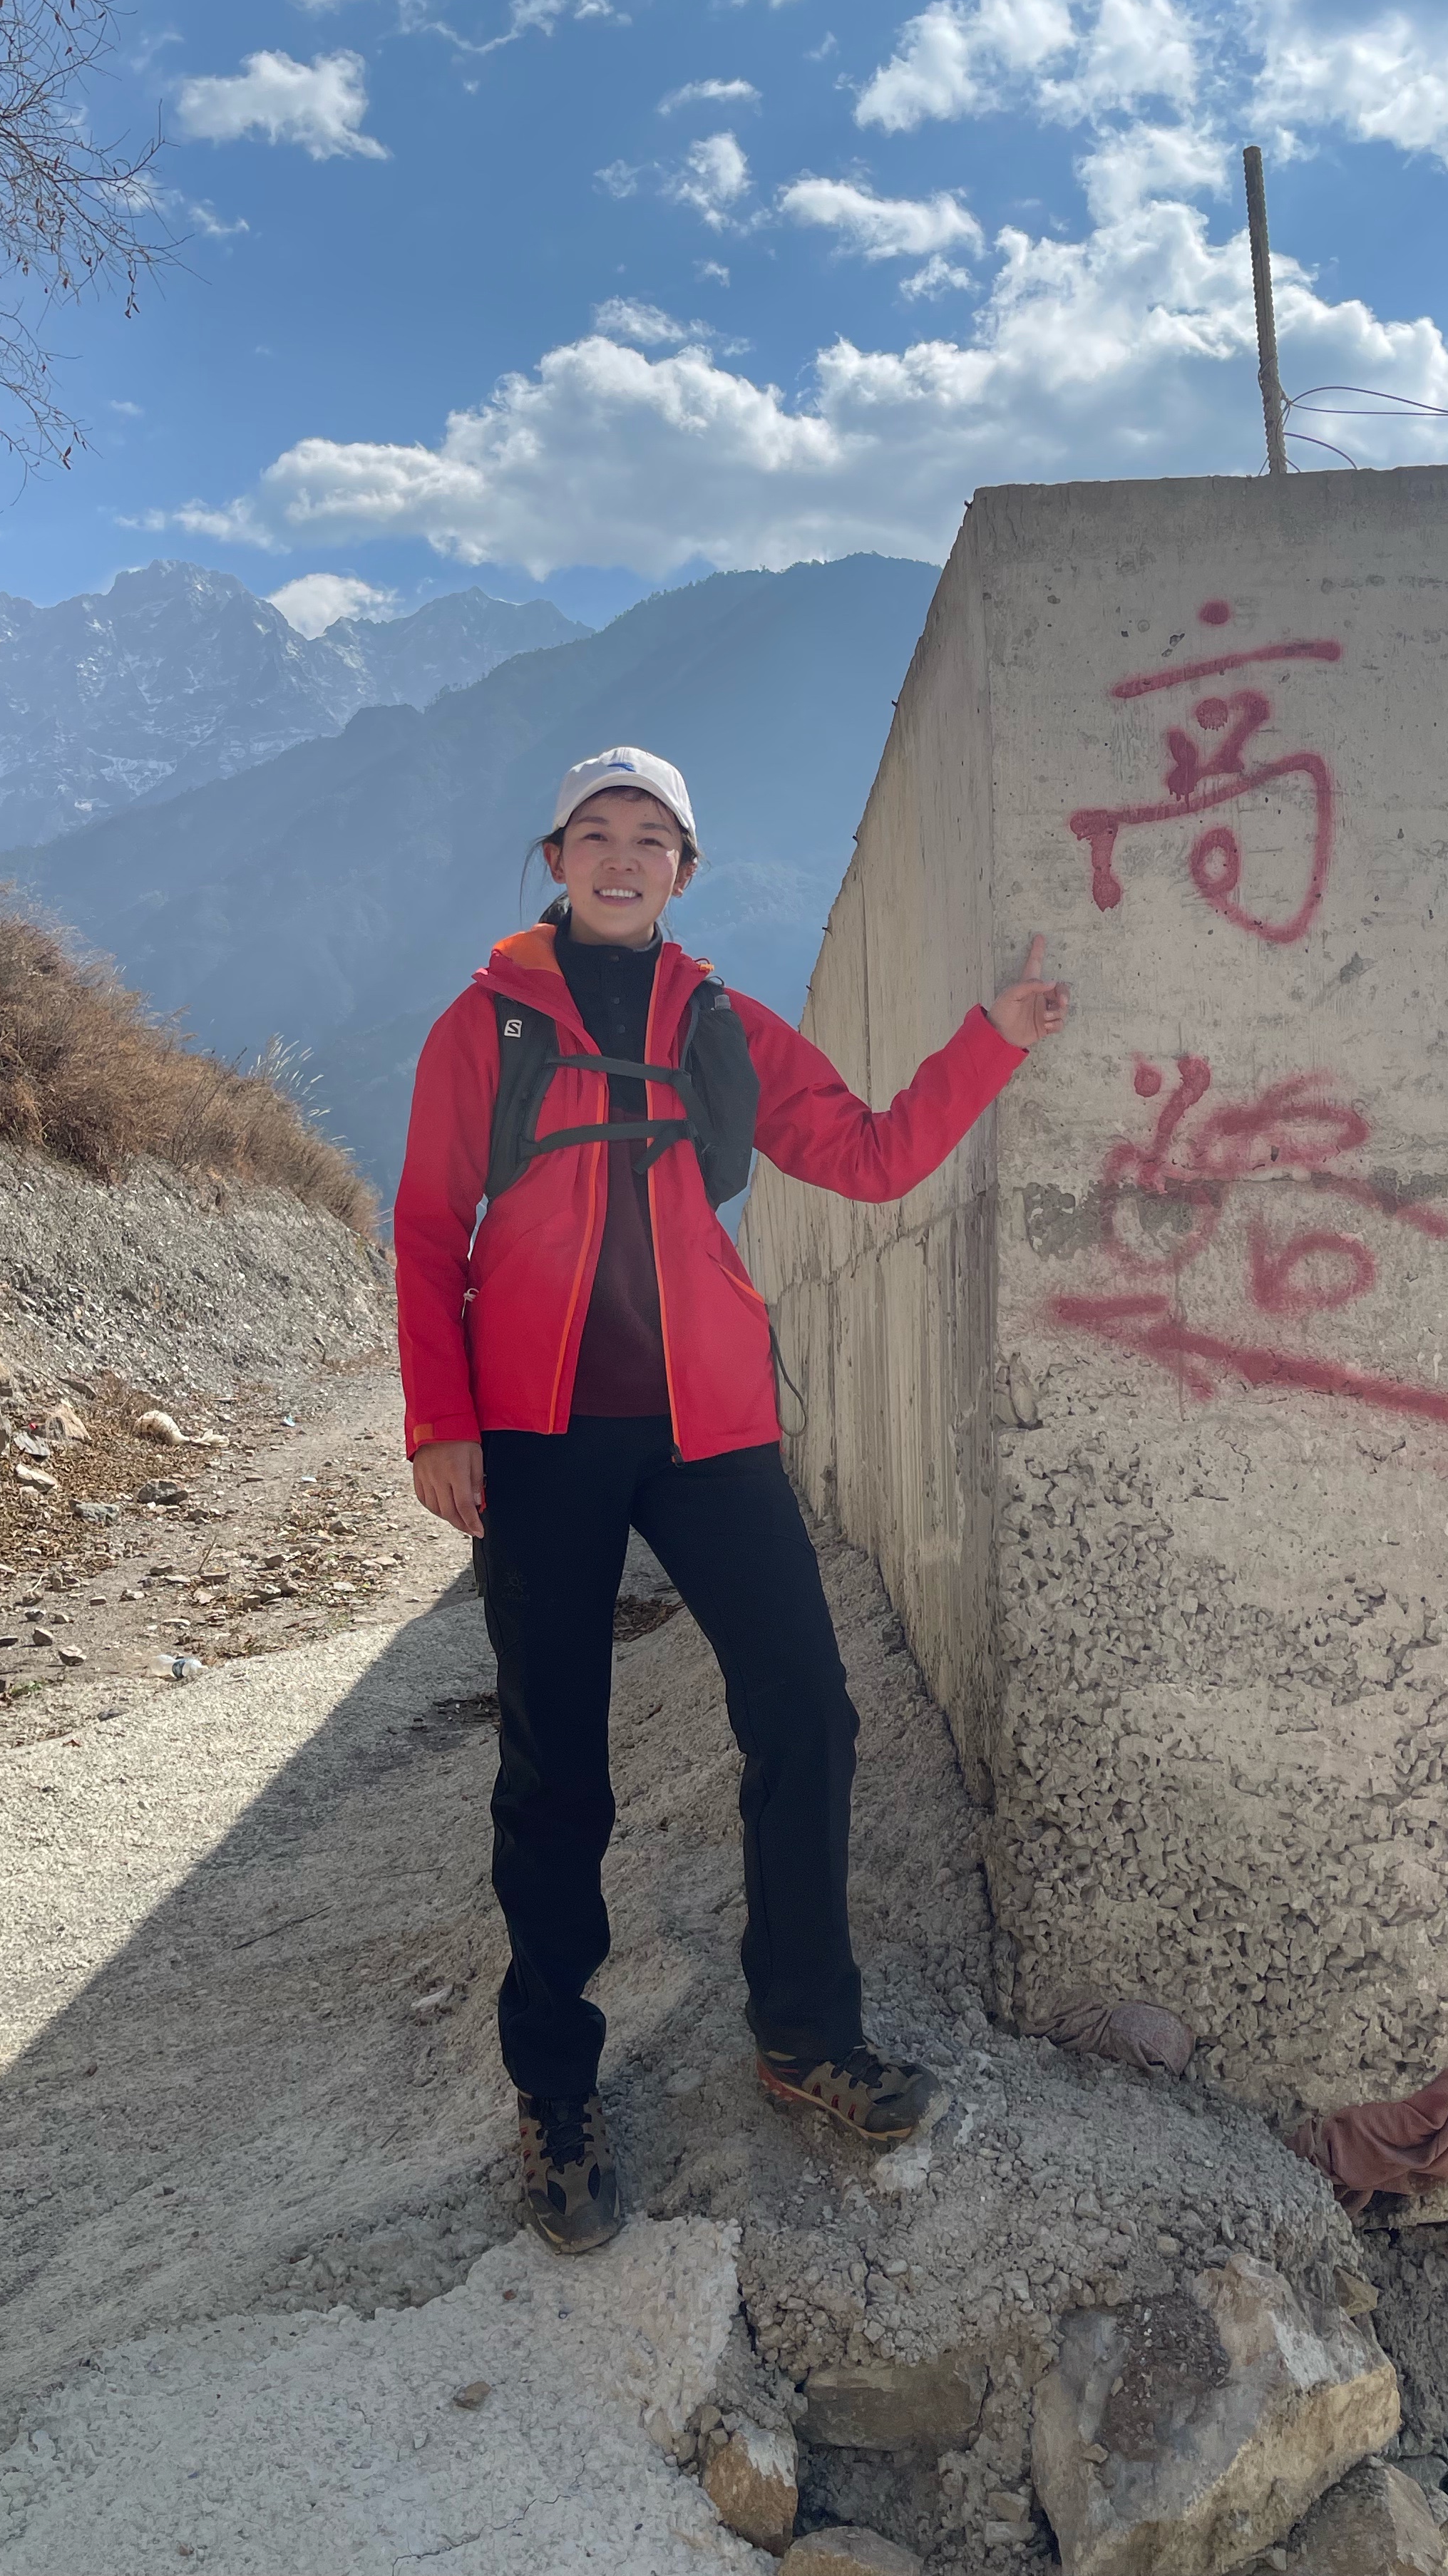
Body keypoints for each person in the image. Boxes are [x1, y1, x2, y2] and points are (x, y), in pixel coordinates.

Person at [395, 745, 1069, 2253]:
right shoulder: (484, 1026)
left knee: (807, 1712)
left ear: (684, 871)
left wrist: (994, 1040)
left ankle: (805, 2033)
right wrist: (442, 1422)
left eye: (652, 839)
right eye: (594, 834)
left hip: (710, 1429)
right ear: (557, 857)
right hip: (542, 1430)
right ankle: (556, 2089)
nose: (622, 858)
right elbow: (431, 1224)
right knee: (556, 1766)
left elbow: (876, 1157)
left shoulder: (720, 1027)